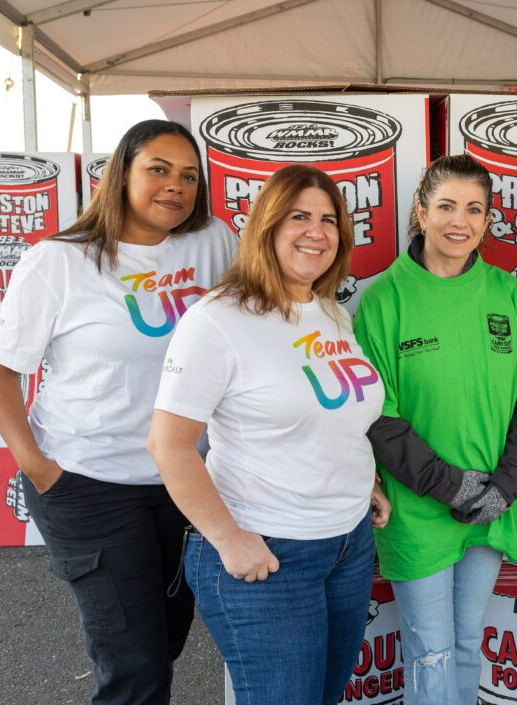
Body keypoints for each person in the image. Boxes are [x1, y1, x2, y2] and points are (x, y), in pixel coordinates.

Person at [0, 119, 238, 705]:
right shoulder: (59, 261)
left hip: (182, 481)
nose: (175, 185)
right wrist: (42, 471)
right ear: (120, 174)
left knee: (167, 640)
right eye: (158, 169)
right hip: (88, 480)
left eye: (189, 176)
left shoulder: (214, 241)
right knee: (134, 664)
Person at [147, 164, 390, 705]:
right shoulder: (217, 320)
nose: (316, 231)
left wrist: (362, 479)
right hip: (270, 552)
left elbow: (335, 414)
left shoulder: (331, 312)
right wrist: (229, 540)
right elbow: (169, 444)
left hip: (347, 545)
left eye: (329, 220)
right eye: (299, 216)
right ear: (267, 226)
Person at [353, 154, 517, 705]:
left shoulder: (507, 294)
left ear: (488, 220)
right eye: (446, 206)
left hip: (491, 504)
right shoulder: (383, 300)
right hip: (418, 511)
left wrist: (506, 485)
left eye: (474, 209)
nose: (459, 221)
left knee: (467, 646)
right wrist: (452, 486)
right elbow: (379, 418)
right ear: (421, 212)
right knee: (432, 652)